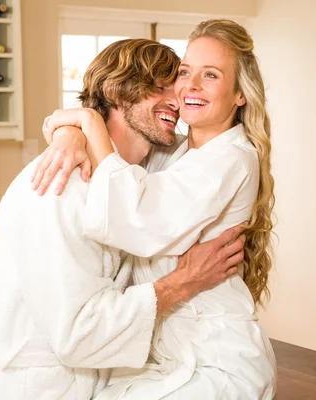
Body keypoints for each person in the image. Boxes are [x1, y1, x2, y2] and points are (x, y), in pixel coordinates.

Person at [0, 39, 247, 400]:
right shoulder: (59, 185)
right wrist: (183, 282)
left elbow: (212, 154)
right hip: (28, 389)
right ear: (117, 91)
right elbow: (78, 332)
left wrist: (75, 125)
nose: (177, 100)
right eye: (159, 87)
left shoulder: (141, 175)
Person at [34, 19, 277, 399]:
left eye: (210, 75)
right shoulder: (176, 152)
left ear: (239, 94)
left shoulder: (231, 158)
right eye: (185, 72)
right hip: (161, 358)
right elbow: (123, 141)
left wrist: (87, 121)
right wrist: (71, 130)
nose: (190, 86)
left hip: (216, 363)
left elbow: (139, 218)